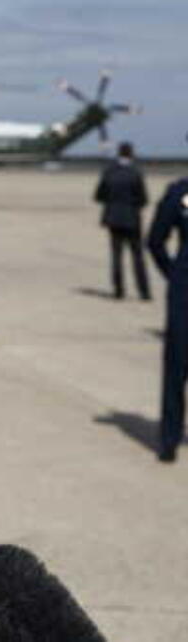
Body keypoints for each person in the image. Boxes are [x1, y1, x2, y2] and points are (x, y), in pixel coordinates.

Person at [147, 158, 188, 463]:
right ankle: (169, 438)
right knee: (176, 365)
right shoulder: (178, 194)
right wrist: (174, 274)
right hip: (184, 293)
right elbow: (155, 241)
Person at [94, 141, 150, 300]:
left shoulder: (109, 172)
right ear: (131, 154)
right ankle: (144, 291)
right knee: (137, 256)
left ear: (119, 153)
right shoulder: (135, 172)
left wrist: (112, 203)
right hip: (132, 218)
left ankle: (119, 291)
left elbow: (98, 195)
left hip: (113, 218)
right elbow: (143, 198)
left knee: (116, 256)